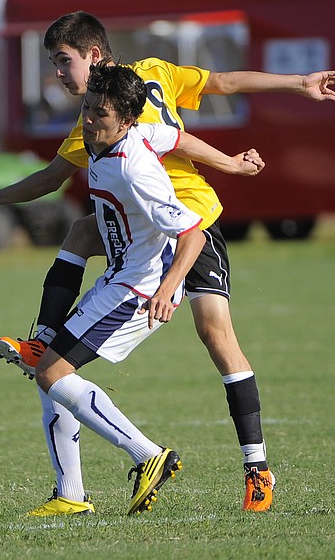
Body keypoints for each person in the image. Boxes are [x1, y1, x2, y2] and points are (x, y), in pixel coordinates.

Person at [0, 10, 335, 513]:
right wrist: (238, 155)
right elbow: (175, 131)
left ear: (94, 56)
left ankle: (256, 467)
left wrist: (293, 90)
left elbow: (219, 85)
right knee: (79, 237)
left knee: (217, 338)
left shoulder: (115, 128)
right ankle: (50, 370)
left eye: (61, 61)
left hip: (188, 225)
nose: (56, 73)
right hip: (147, 229)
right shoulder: (104, 116)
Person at [21, 59, 266, 516]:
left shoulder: (132, 170)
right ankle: (71, 495)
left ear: (126, 120)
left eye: (100, 114)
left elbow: (191, 232)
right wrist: (230, 162)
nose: (90, 119)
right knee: (49, 374)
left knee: (52, 374)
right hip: (120, 279)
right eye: (88, 108)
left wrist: (167, 289)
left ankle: (148, 455)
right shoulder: (125, 135)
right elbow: (174, 136)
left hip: (136, 289)